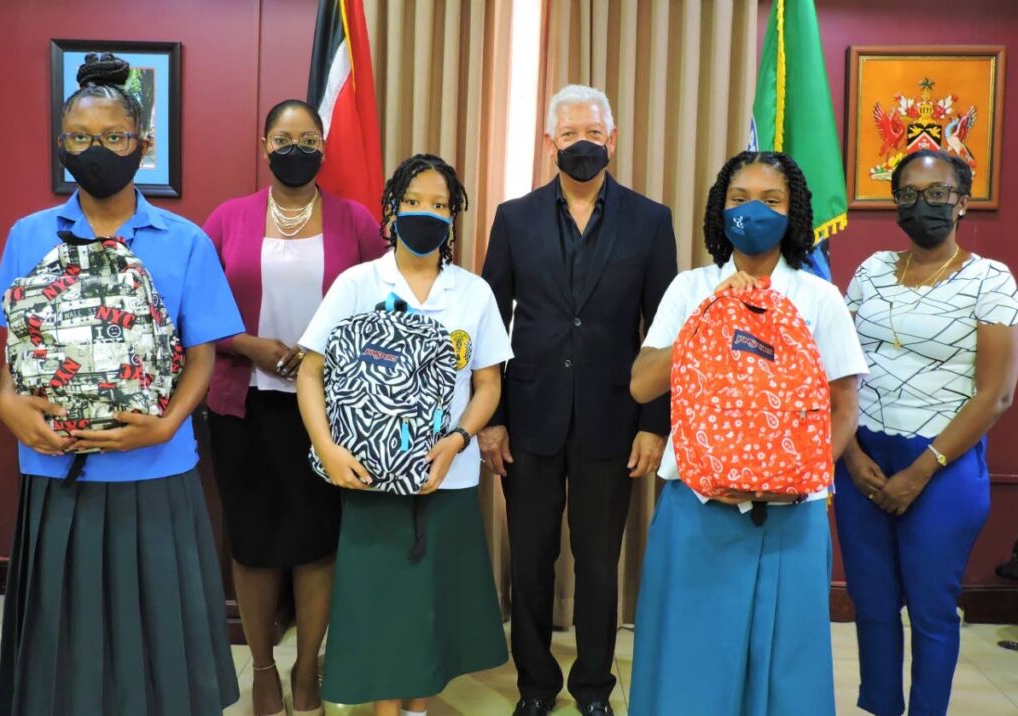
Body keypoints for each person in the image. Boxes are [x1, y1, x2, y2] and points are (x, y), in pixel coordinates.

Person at [0, 53, 242, 715]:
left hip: (156, 472)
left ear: (144, 146)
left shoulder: (184, 241)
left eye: (114, 138)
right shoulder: (27, 237)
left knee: (161, 656)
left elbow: (202, 353)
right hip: (57, 471)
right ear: (61, 144)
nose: (96, 150)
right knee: (64, 657)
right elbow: (14, 352)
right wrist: (6, 404)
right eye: (81, 138)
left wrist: (167, 424)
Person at [627, 151, 869, 716]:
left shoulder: (817, 297)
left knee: (786, 671)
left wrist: (795, 479)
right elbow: (641, 386)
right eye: (739, 198)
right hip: (698, 509)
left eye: (771, 200)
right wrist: (713, 310)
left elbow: (845, 409)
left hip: (791, 516)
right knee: (690, 666)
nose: (752, 210)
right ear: (719, 209)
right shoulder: (691, 288)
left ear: (793, 214)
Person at [480, 84, 677, 716]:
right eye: (569, 135)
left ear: (612, 139)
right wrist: (493, 421)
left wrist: (654, 425)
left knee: (598, 564)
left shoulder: (651, 220)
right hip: (529, 419)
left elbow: (664, 334)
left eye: (593, 132)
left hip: (612, 420)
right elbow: (490, 326)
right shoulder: (513, 219)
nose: (583, 144)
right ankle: (535, 687)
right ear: (549, 145)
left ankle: (594, 688)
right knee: (531, 564)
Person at [297, 154, 510, 716]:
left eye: (440, 205)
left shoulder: (474, 293)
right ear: (391, 211)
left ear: (454, 218)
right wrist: (326, 447)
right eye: (414, 201)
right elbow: (309, 372)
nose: (427, 214)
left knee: (430, 611)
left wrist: (459, 440)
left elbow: (488, 385)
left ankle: (416, 710)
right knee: (382, 610)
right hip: (368, 478)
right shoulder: (358, 283)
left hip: (451, 478)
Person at [203, 98, 385, 716]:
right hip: (243, 405)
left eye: (308, 137)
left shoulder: (355, 221)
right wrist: (248, 345)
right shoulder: (227, 219)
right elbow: (194, 312)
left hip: (328, 414)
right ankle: (261, 669)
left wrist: (324, 355)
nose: (296, 147)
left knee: (317, 544)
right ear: (264, 145)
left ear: (324, 147)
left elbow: (382, 308)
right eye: (284, 137)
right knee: (252, 545)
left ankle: (307, 668)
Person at [835, 149, 1018, 716]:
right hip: (864, 459)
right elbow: (840, 367)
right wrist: (850, 454)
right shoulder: (869, 271)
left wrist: (919, 472)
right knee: (871, 604)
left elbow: (996, 394)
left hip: (942, 465)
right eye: (909, 195)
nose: (923, 206)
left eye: (937, 194)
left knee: (932, 610)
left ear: (961, 203)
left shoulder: (990, 279)